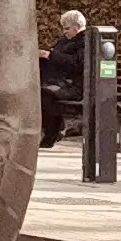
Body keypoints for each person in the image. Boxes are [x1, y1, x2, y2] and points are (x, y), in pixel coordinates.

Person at [39, 8, 90, 148]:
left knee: (45, 96)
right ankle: (55, 129)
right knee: (39, 92)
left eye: (67, 28)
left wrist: (51, 55)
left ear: (77, 27)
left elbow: (76, 65)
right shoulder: (64, 42)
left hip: (74, 86)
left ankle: (52, 133)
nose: (64, 31)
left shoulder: (86, 43)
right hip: (60, 82)